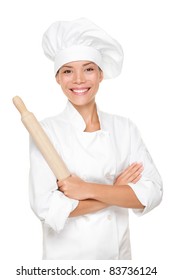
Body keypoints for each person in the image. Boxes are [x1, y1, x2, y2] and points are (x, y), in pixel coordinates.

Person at [29, 18, 163, 260]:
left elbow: (153, 192)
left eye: (88, 69)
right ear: (57, 78)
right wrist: (117, 191)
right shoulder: (46, 131)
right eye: (68, 71)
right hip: (67, 266)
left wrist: (85, 190)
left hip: (119, 263)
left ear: (101, 75)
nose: (79, 79)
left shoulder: (125, 128)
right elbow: (47, 209)